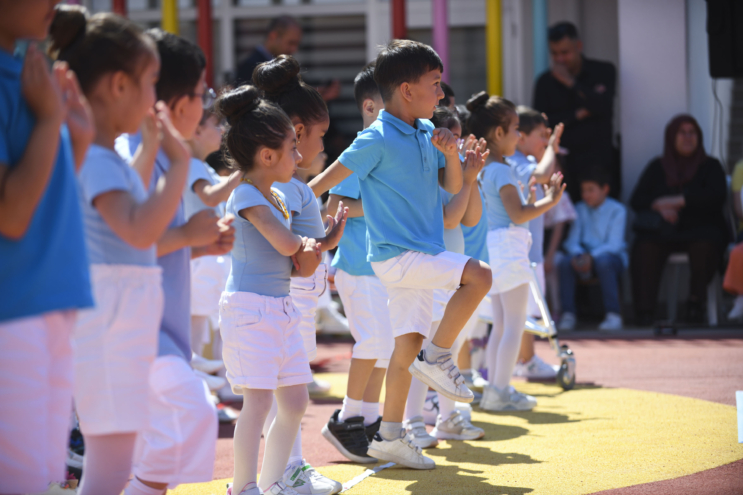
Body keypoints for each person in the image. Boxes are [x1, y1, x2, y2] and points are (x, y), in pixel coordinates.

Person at [309, 40, 492, 470]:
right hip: (398, 256)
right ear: (407, 90)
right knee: (479, 276)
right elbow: (325, 181)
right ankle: (439, 355)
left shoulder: (428, 132)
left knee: (403, 349)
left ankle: (390, 435)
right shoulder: (374, 137)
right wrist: (287, 198)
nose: (443, 94)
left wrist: (456, 161)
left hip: (416, 257)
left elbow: (450, 191)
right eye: (436, 85)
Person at [48, 7, 193, 494]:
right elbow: (139, 229)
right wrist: (178, 166)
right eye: (151, 82)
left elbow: (130, 191)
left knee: (115, 458)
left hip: (117, 314)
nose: (156, 97)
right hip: (111, 318)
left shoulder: (103, 156)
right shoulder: (97, 158)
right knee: (110, 463)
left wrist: (154, 150)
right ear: (118, 86)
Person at [116, 29, 234, 495]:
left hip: (159, 325)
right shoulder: (135, 157)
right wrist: (187, 235)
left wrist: (199, 247)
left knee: (145, 444)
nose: (206, 104)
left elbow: (150, 244)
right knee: (191, 415)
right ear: (177, 101)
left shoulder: (167, 157)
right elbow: (124, 238)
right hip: (135, 325)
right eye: (202, 93)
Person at [215, 85, 332, 495]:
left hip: (279, 309)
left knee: (295, 403)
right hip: (250, 310)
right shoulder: (247, 193)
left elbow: (299, 267)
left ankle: (271, 483)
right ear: (267, 156)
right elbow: (288, 246)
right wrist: (314, 244)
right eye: (292, 149)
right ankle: (243, 486)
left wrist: (317, 246)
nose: (300, 158)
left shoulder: (277, 195)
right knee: (259, 403)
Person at [0, 1, 94, 493]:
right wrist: (48, 120)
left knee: (43, 475)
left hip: (51, 299)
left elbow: (45, 193)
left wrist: (73, 139)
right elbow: (11, 214)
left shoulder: (26, 71)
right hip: (13, 306)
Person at [252, 54, 347, 495]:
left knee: (289, 395)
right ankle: (284, 472)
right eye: (321, 135)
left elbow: (303, 247)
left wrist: (326, 239)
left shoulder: (290, 185)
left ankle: (288, 469)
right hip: (285, 303)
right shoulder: (280, 186)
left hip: (297, 302)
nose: (322, 143)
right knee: (285, 396)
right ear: (297, 130)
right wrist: (319, 245)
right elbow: (290, 250)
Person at [466, 92, 564, 412]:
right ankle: (500, 390)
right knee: (514, 324)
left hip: (494, 248)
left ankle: (497, 388)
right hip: (508, 248)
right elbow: (519, 214)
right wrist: (550, 201)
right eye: (515, 129)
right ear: (498, 133)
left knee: (502, 324)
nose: (519, 136)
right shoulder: (503, 170)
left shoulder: (485, 168)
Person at [322, 62, 393, 464]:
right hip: (357, 264)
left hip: (378, 267)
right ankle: (346, 419)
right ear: (370, 106)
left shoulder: (385, 146)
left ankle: (367, 421)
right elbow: (335, 205)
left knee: (383, 347)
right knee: (372, 344)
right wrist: (386, 208)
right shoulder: (364, 147)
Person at [404, 106, 487, 447]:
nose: (456, 145)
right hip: (432, 269)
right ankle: (411, 422)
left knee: (445, 351)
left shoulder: (453, 174)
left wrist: (472, 178)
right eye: (451, 137)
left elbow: (470, 219)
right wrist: (466, 180)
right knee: (425, 351)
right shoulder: (425, 175)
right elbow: (449, 220)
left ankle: (446, 418)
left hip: (452, 271)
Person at [629, 114, 728, 325]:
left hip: (700, 229)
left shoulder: (710, 166)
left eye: (692, 133)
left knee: (706, 244)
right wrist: (659, 207)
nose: (687, 137)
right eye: (682, 133)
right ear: (671, 137)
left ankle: (695, 305)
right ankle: (645, 311)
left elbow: (716, 196)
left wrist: (680, 200)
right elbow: (637, 200)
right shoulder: (658, 167)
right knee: (644, 246)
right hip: (665, 231)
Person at [183, 109, 240, 389]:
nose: (221, 130)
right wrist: (246, 171)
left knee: (200, 328)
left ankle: (207, 388)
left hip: (202, 258)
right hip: (195, 258)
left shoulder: (200, 166)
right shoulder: (191, 164)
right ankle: (200, 388)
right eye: (215, 125)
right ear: (195, 131)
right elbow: (211, 196)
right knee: (192, 332)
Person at [507, 106, 563, 378]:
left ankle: (525, 359)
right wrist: (552, 148)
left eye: (547, 137)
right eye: (541, 135)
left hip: (529, 251)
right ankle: (525, 361)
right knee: (522, 313)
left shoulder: (520, 159)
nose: (544, 141)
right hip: (522, 252)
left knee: (525, 312)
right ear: (520, 137)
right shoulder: (517, 161)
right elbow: (540, 175)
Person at [533, 21, 616, 202]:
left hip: (597, 163)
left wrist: (571, 83)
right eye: (554, 54)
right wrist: (579, 113)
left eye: (565, 52)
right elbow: (541, 123)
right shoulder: (544, 83)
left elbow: (604, 107)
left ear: (578, 46)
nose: (560, 59)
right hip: (563, 166)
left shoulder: (603, 71)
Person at [557, 169, 627, 332]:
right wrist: (578, 254)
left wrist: (591, 257)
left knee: (604, 263)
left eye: (591, 190)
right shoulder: (580, 208)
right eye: (583, 190)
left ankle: (613, 315)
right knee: (565, 262)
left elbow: (614, 245)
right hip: (584, 255)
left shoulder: (618, 210)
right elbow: (572, 240)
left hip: (609, 257)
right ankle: (568, 314)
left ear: (605, 189)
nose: (586, 195)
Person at [235, 15, 301, 85]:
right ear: (273, 36)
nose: (294, 49)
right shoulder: (250, 67)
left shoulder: (285, 67)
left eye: (297, 44)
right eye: (291, 43)